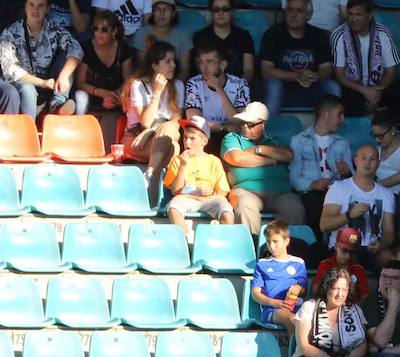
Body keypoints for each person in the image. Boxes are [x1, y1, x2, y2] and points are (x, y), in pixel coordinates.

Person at [221, 102, 306, 237]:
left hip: (280, 192)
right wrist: (271, 160)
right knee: (245, 207)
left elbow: (288, 155)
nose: (245, 127)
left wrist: (258, 149)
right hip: (245, 190)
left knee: (295, 209)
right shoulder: (233, 138)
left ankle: (288, 253)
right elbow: (236, 158)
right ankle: (248, 252)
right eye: (243, 122)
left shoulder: (276, 140)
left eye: (250, 124)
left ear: (263, 124)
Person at [290, 266, 369, 357]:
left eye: (344, 289)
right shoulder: (310, 307)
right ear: (327, 288)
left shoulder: (356, 311)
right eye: (335, 288)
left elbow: (362, 345)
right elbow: (305, 347)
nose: (340, 294)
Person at [122, 41, 184, 206]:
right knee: (173, 148)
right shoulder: (138, 85)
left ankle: (150, 175)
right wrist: (156, 93)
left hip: (158, 137)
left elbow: (177, 122)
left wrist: (150, 131)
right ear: (155, 66)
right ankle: (160, 202)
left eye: (173, 61)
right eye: (167, 61)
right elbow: (146, 121)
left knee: (171, 134)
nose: (173, 65)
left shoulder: (178, 85)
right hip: (135, 139)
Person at [0, 0, 83, 118]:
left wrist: (63, 76)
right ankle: (29, 130)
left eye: (40, 6)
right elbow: (10, 70)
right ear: (25, 7)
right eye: (31, 5)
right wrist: (42, 83)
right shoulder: (10, 32)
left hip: (50, 85)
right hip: (23, 84)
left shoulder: (55, 29)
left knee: (69, 60)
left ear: (48, 9)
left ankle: (57, 106)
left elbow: (76, 49)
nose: (35, 10)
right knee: (27, 89)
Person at [319, 144, 394, 266]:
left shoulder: (386, 194)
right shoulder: (338, 188)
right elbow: (324, 225)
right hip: (344, 247)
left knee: (389, 258)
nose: (368, 162)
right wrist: (349, 215)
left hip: (372, 248)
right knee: (349, 257)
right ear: (356, 161)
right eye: (364, 158)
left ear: (378, 163)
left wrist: (381, 244)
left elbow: (389, 232)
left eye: (372, 159)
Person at [162, 115, 233, 243]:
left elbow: (223, 191)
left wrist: (211, 192)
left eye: (192, 138)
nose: (187, 142)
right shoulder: (178, 160)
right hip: (186, 198)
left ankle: (226, 242)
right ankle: (182, 242)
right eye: (185, 138)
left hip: (210, 199)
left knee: (226, 207)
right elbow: (175, 191)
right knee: (173, 207)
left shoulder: (213, 161)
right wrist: (183, 167)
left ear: (204, 141)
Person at [261, 0, 338, 115]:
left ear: (308, 15)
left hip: (311, 84)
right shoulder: (272, 34)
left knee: (332, 87)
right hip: (282, 84)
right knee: (274, 86)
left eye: (299, 11)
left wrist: (314, 76)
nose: (293, 15)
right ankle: (270, 130)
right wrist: (297, 76)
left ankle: (328, 131)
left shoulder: (318, 35)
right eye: (290, 10)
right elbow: (266, 70)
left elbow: (326, 68)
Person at [329, 0, 400, 116]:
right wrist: (364, 90)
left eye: (359, 15)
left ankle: (396, 131)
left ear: (369, 15)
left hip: (379, 87)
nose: (354, 19)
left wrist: (377, 91)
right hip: (353, 88)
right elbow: (339, 74)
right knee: (350, 100)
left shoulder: (384, 33)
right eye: (351, 14)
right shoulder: (339, 35)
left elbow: (391, 71)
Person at [75, 9, 134, 131]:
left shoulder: (123, 48)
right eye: (95, 29)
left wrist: (116, 96)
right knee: (80, 96)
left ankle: (130, 132)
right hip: (93, 94)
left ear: (114, 31)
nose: (99, 33)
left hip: (117, 95)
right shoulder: (86, 47)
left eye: (104, 29)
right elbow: (80, 83)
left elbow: (128, 80)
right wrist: (101, 93)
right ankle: (79, 130)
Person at [252, 220, 310, 329]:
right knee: (292, 320)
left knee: (308, 322)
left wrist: (298, 288)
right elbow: (255, 294)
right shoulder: (262, 264)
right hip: (272, 309)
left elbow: (304, 290)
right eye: (268, 242)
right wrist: (273, 303)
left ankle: (298, 345)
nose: (271, 246)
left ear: (286, 241)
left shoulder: (298, 263)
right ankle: (297, 346)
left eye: (275, 241)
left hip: (296, 305)